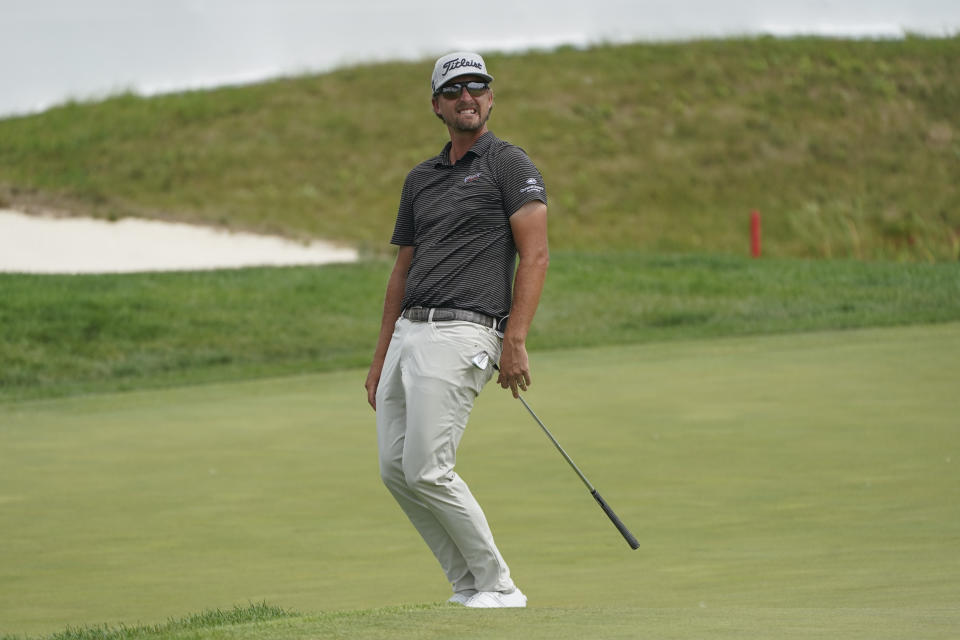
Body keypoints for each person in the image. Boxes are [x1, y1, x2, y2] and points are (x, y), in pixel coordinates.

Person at [364, 51, 549, 609]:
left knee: (428, 467)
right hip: (409, 335)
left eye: (478, 87)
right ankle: (467, 584)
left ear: (490, 98)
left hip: (466, 332)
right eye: (455, 90)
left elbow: (535, 256)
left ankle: (499, 584)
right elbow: (402, 271)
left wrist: (514, 341)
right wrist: (379, 359)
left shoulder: (508, 164)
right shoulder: (421, 177)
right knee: (397, 471)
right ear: (438, 105)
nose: (467, 96)